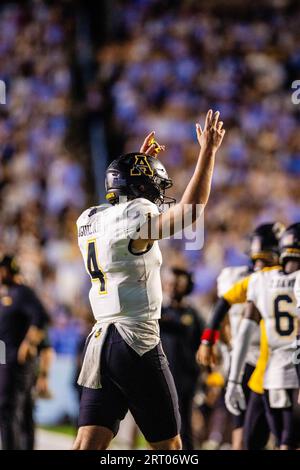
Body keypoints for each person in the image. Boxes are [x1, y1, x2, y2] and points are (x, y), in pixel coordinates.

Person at [72, 109, 225, 450]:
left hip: (101, 341)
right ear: (140, 189)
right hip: (136, 339)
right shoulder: (136, 215)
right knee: (169, 448)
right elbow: (192, 210)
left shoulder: (91, 218)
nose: (157, 195)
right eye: (153, 188)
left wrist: (138, 164)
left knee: (88, 442)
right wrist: (208, 152)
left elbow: (123, 203)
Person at [197, 223, 284, 449]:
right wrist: (213, 344)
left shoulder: (271, 280)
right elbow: (224, 314)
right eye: (258, 258)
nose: (260, 264)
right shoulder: (240, 278)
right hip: (248, 360)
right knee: (245, 435)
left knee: (282, 435)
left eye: (266, 258)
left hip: (273, 361)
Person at [225, 223, 300, 449]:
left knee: (282, 442)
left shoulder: (260, 281)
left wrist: (233, 380)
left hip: (272, 375)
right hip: (286, 372)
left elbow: (242, 335)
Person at [0, 255, 49, 450]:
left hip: (17, 363)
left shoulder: (22, 293)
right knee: (19, 411)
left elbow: (42, 317)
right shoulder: (8, 294)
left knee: (8, 409)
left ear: (5, 271)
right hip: (6, 360)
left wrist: (29, 343)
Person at [160, 267, 204, 449]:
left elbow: (205, 341)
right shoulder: (157, 312)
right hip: (161, 375)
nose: (173, 287)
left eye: (177, 283)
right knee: (160, 426)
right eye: (170, 282)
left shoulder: (193, 314)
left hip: (186, 377)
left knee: (184, 424)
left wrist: (208, 373)